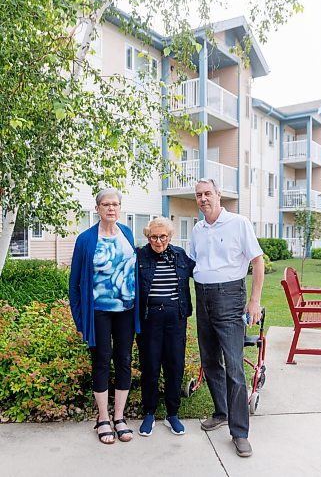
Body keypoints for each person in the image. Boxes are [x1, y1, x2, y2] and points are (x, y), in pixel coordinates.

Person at [190, 178, 264, 458]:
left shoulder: (238, 223)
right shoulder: (197, 229)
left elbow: (258, 261)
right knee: (210, 361)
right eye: (199, 195)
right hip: (203, 297)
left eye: (208, 193)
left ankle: (240, 432)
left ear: (219, 195)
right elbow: (193, 263)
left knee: (234, 365)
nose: (203, 199)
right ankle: (221, 412)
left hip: (231, 298)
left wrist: (254, 300)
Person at [69, 188, 140, 445]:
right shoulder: (86, 239)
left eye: (115, 204)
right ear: (97, 208)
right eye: (106, 204)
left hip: (126, 311)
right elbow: (74, 284)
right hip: (98, 312)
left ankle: (119, 417)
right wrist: (79, 320)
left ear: (120, 208)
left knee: (124, 360)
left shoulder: (127, 234)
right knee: (101, 360)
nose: (111, 208)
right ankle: (102, 419)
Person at [137, 217, 195, 437]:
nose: (158, 241)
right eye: (154, 236)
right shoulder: (140, 256)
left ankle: (172, 414)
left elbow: (201, 273)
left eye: (163, 236)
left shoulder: (179, 255)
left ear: (170, 237)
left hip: (176, 320)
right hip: (149, 319)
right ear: (148, 237)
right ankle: (149, 413)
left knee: (174, 366)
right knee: (150, 366)